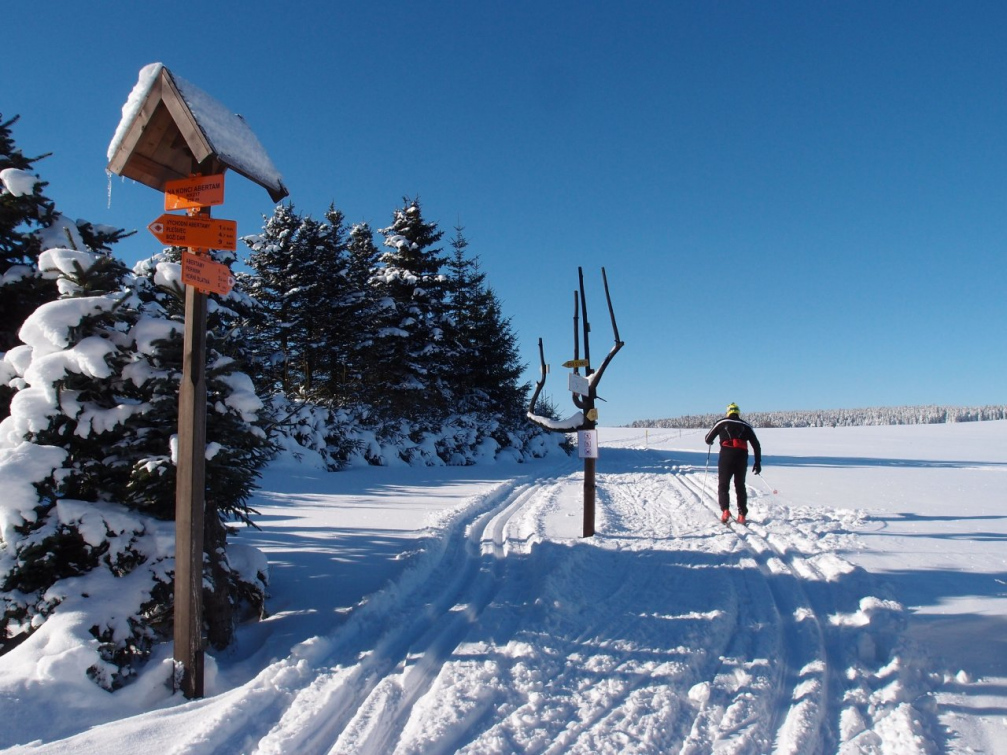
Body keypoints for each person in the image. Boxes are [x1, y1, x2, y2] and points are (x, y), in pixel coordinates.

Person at [704, 402, 762, 524]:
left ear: (728, 412)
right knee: (740, 485)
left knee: (723, 484)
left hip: (726, 456)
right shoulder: (746, 425)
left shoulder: (721, 423)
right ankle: (742, 515)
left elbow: (708, 439)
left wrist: (711, 440)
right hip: (742, 457)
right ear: (738, 412)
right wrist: (757, 462)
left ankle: (725, 510)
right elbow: (756, 445)